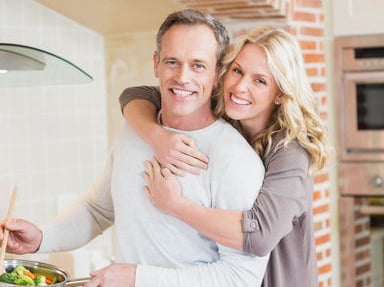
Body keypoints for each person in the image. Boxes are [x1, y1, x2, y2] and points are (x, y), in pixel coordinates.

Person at [0, 9, 270, 287]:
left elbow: (241, 278)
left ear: (217, 74)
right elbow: (98, 209)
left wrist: (137, 278)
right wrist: (43, 237)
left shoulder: (234, 160)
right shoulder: (134, 131)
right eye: (172, 62)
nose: (182, 77)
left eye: (198, 65)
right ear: (156, 63)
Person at [119, 26, 332, 287]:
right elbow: (135, 95)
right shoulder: (225, 115)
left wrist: (174, 205)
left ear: (280, 94)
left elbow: (260, 234)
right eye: (238, 71)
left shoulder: (292, 153)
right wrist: (157, 137)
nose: (240, 87)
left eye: (260, 80)